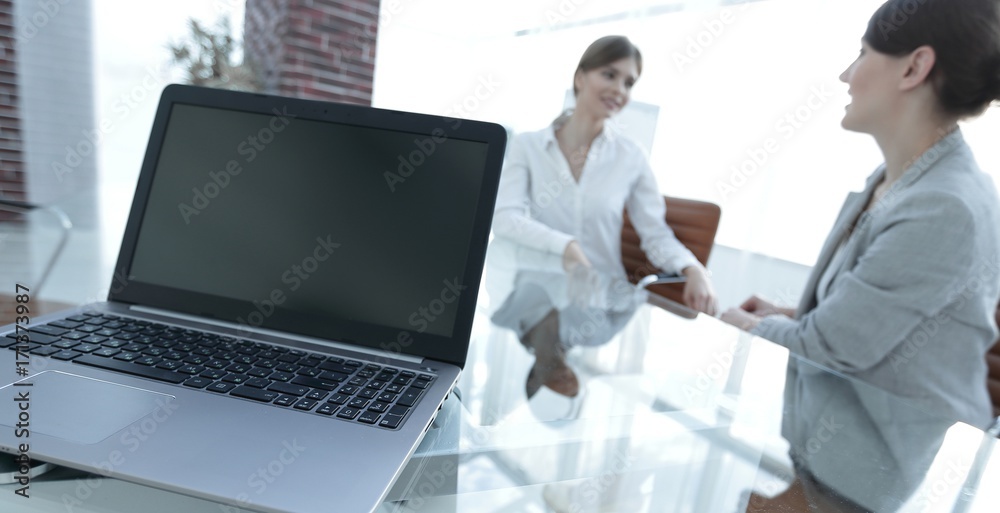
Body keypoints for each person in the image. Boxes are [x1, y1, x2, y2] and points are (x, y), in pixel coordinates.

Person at [719, 0, 1000, 509]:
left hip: (868, 474)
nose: (846, 74)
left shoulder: (945, 206)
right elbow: (861, 325)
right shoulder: (899, 180)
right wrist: (795, 316)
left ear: (914, 67)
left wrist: (737, 323)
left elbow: (829, 347)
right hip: (826, 443)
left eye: (863, 53)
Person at [490, 35, 717, 399]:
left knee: (549, 325)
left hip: (599, 302)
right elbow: (504, 219)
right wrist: (567, 246)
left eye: (629, 82)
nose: (619, 89)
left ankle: (548, 355)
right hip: (536, 286)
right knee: (534, 303)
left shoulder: (631, 157)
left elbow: (654, 233)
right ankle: (548, 355)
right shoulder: (529, 146)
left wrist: (693, 269)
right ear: (580, 77)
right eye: (609, 75)